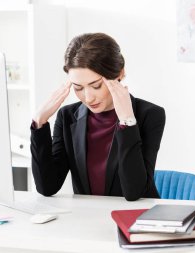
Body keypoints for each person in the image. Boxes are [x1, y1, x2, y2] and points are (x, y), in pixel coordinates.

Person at [31, 33, 165, 201]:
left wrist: (127, 122)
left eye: (96, 86)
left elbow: (134, 192)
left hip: (135, 217)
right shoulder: (67, 117)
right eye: (78, 88)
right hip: (89, 219)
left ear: (119, 74)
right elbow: (47, 186)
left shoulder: (150, 115)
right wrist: (39, 122)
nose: (88, 97)